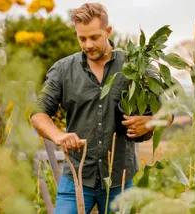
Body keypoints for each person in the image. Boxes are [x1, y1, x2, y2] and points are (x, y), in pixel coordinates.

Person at [31, 3, 172, 213]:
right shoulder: (63, 70)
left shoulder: (134, 66)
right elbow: (38, 113)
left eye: (94, 37)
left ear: (108, 31)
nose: (88, 44)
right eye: (82, 38)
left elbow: (169, 109)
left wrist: (151, 122)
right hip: (77, 177)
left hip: (120, 180)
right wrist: (58, 135)